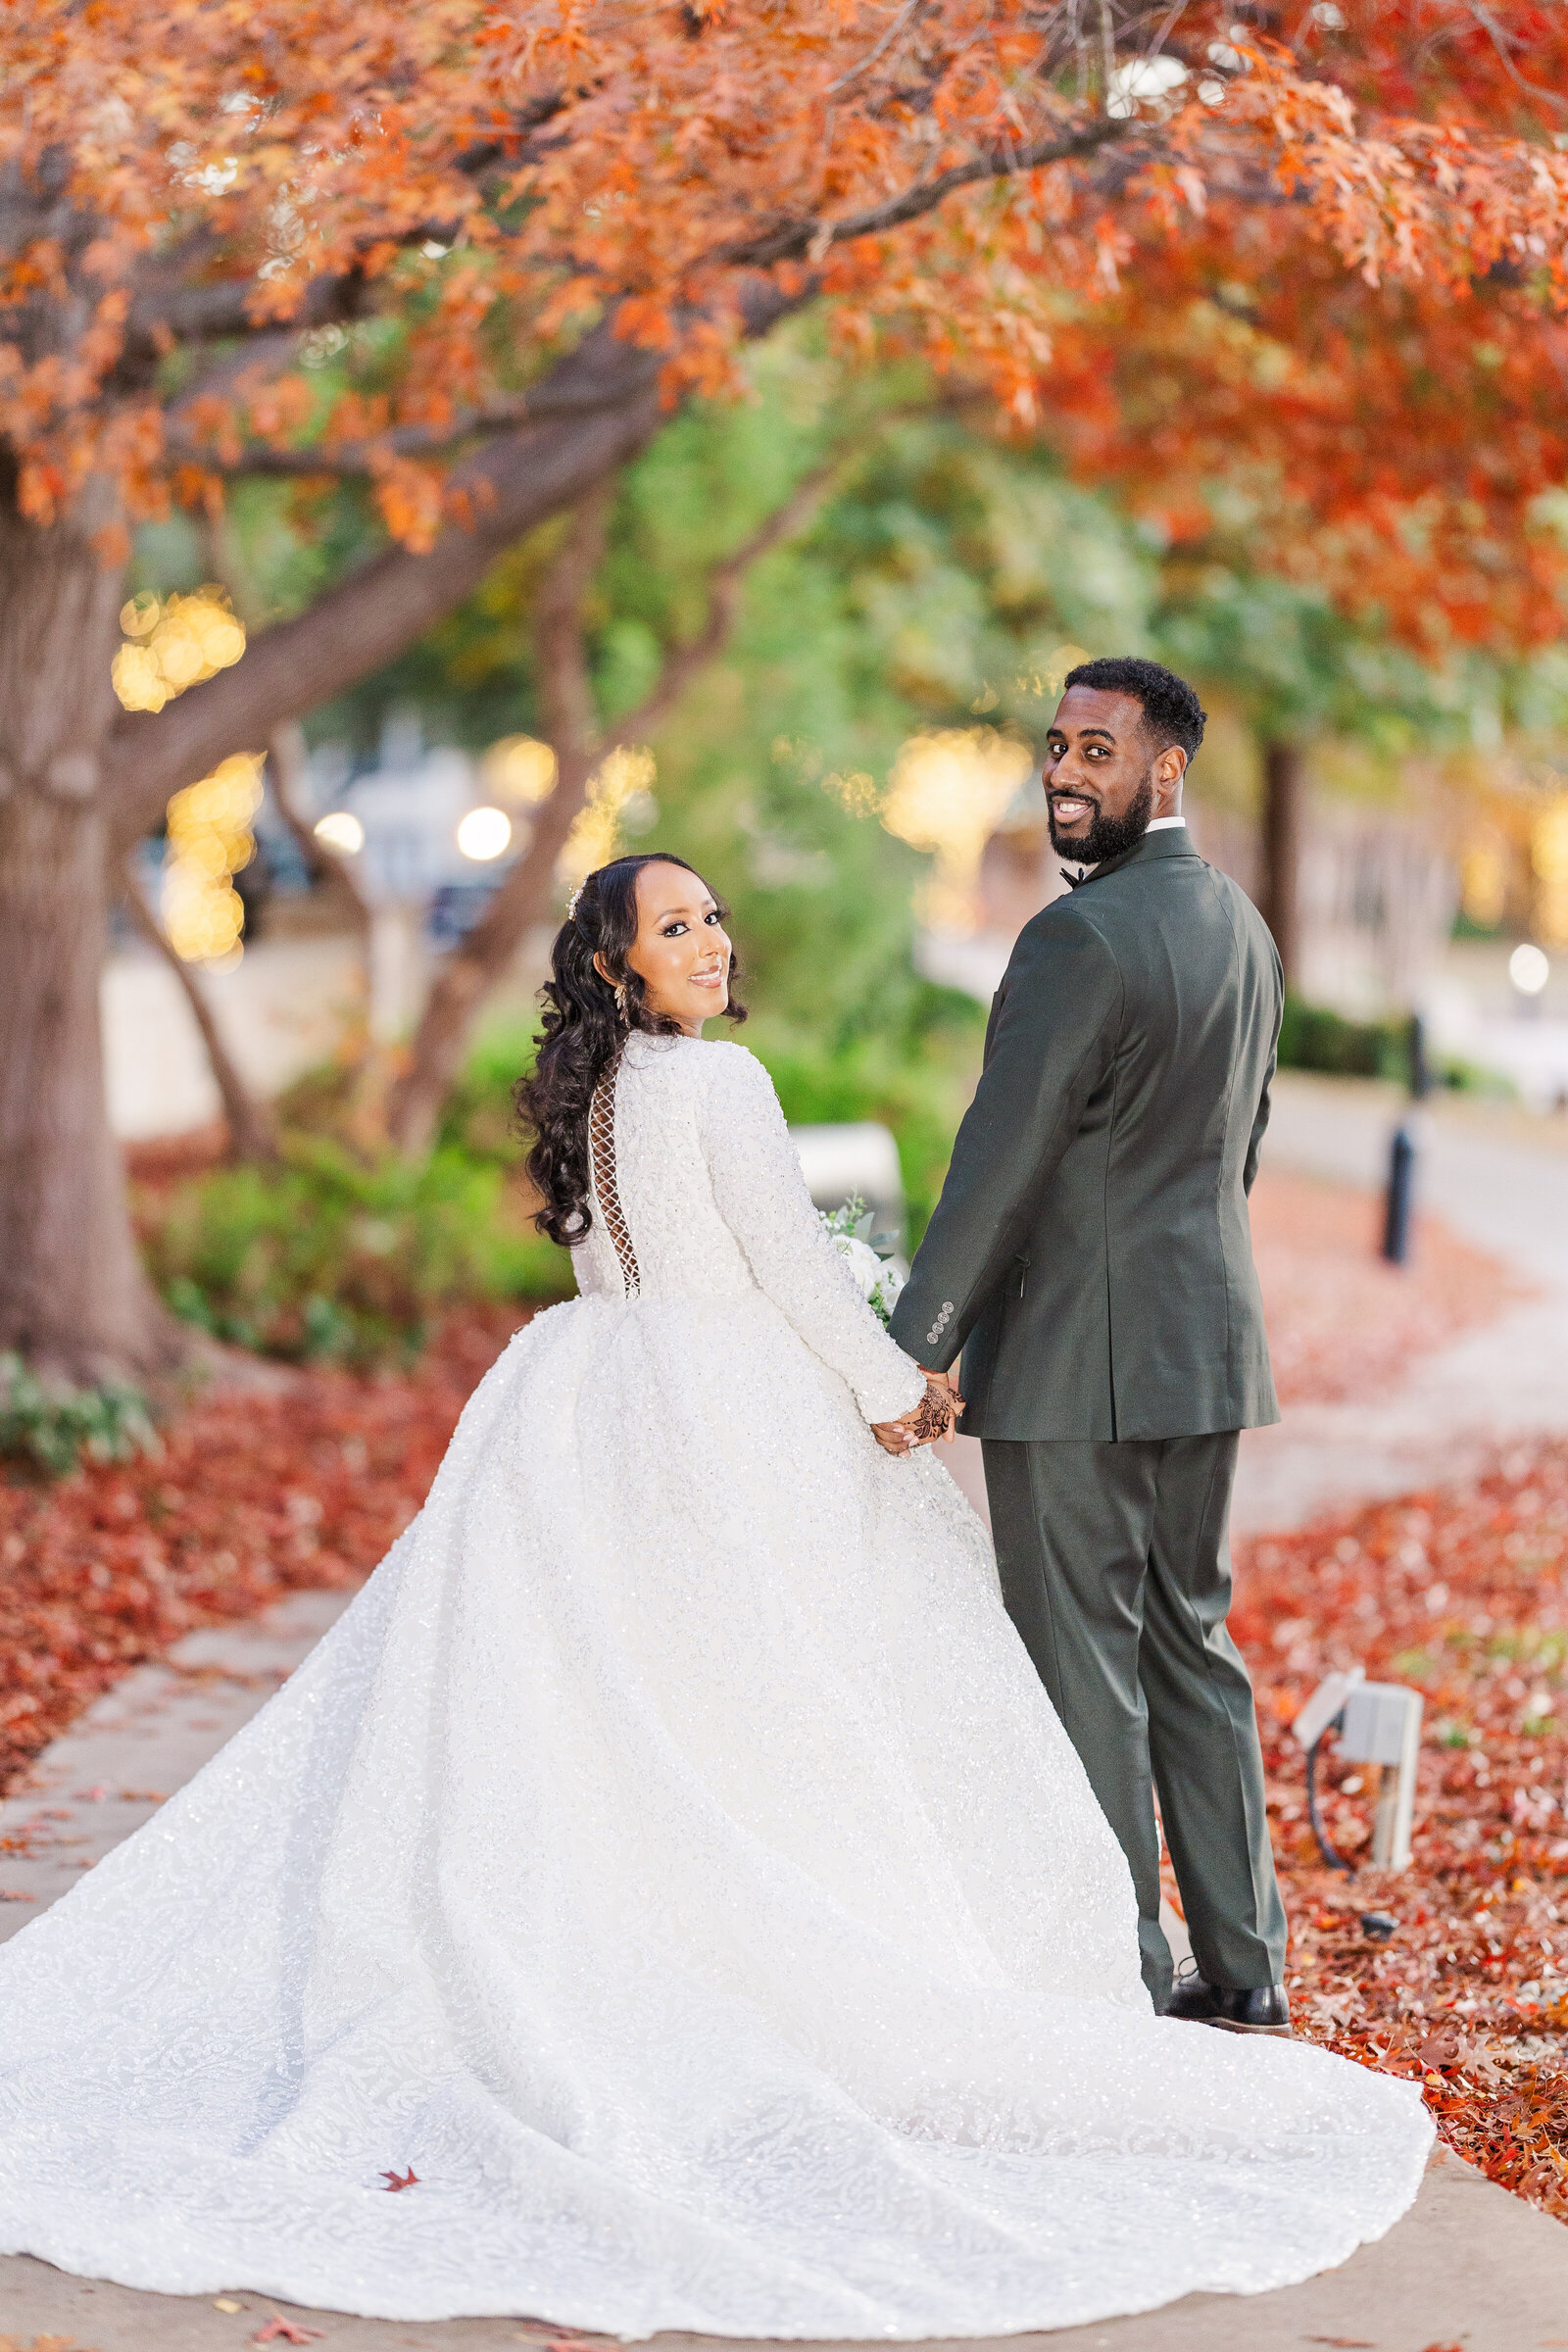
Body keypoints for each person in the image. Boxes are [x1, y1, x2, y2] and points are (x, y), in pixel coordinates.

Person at [0, 851, 1431, 2337]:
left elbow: (613, 1267)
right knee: (785, 1697)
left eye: (710, 918)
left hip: (594, 1398)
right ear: (618, 965)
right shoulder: (723, 1088)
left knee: (628, 1711)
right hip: (730, 1402)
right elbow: (796, 1274)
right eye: (672, 927)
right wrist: (892, 1389)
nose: (708, 941)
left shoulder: (593, 1090)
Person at [890, 655, 1293, 2027]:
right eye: (1055, 745)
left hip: (1075, 1361)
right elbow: (1237, 1150)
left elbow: (1001, 1162)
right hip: (1209, 1345)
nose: (1062, 769)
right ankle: (1244, 1969)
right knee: (1193, 1642)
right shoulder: (1244, 925)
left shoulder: (1080, 939)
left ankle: (1112, 1976)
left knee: (1083, 1665)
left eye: (1096, 751)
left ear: (1163, 771)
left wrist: (917, 1340)